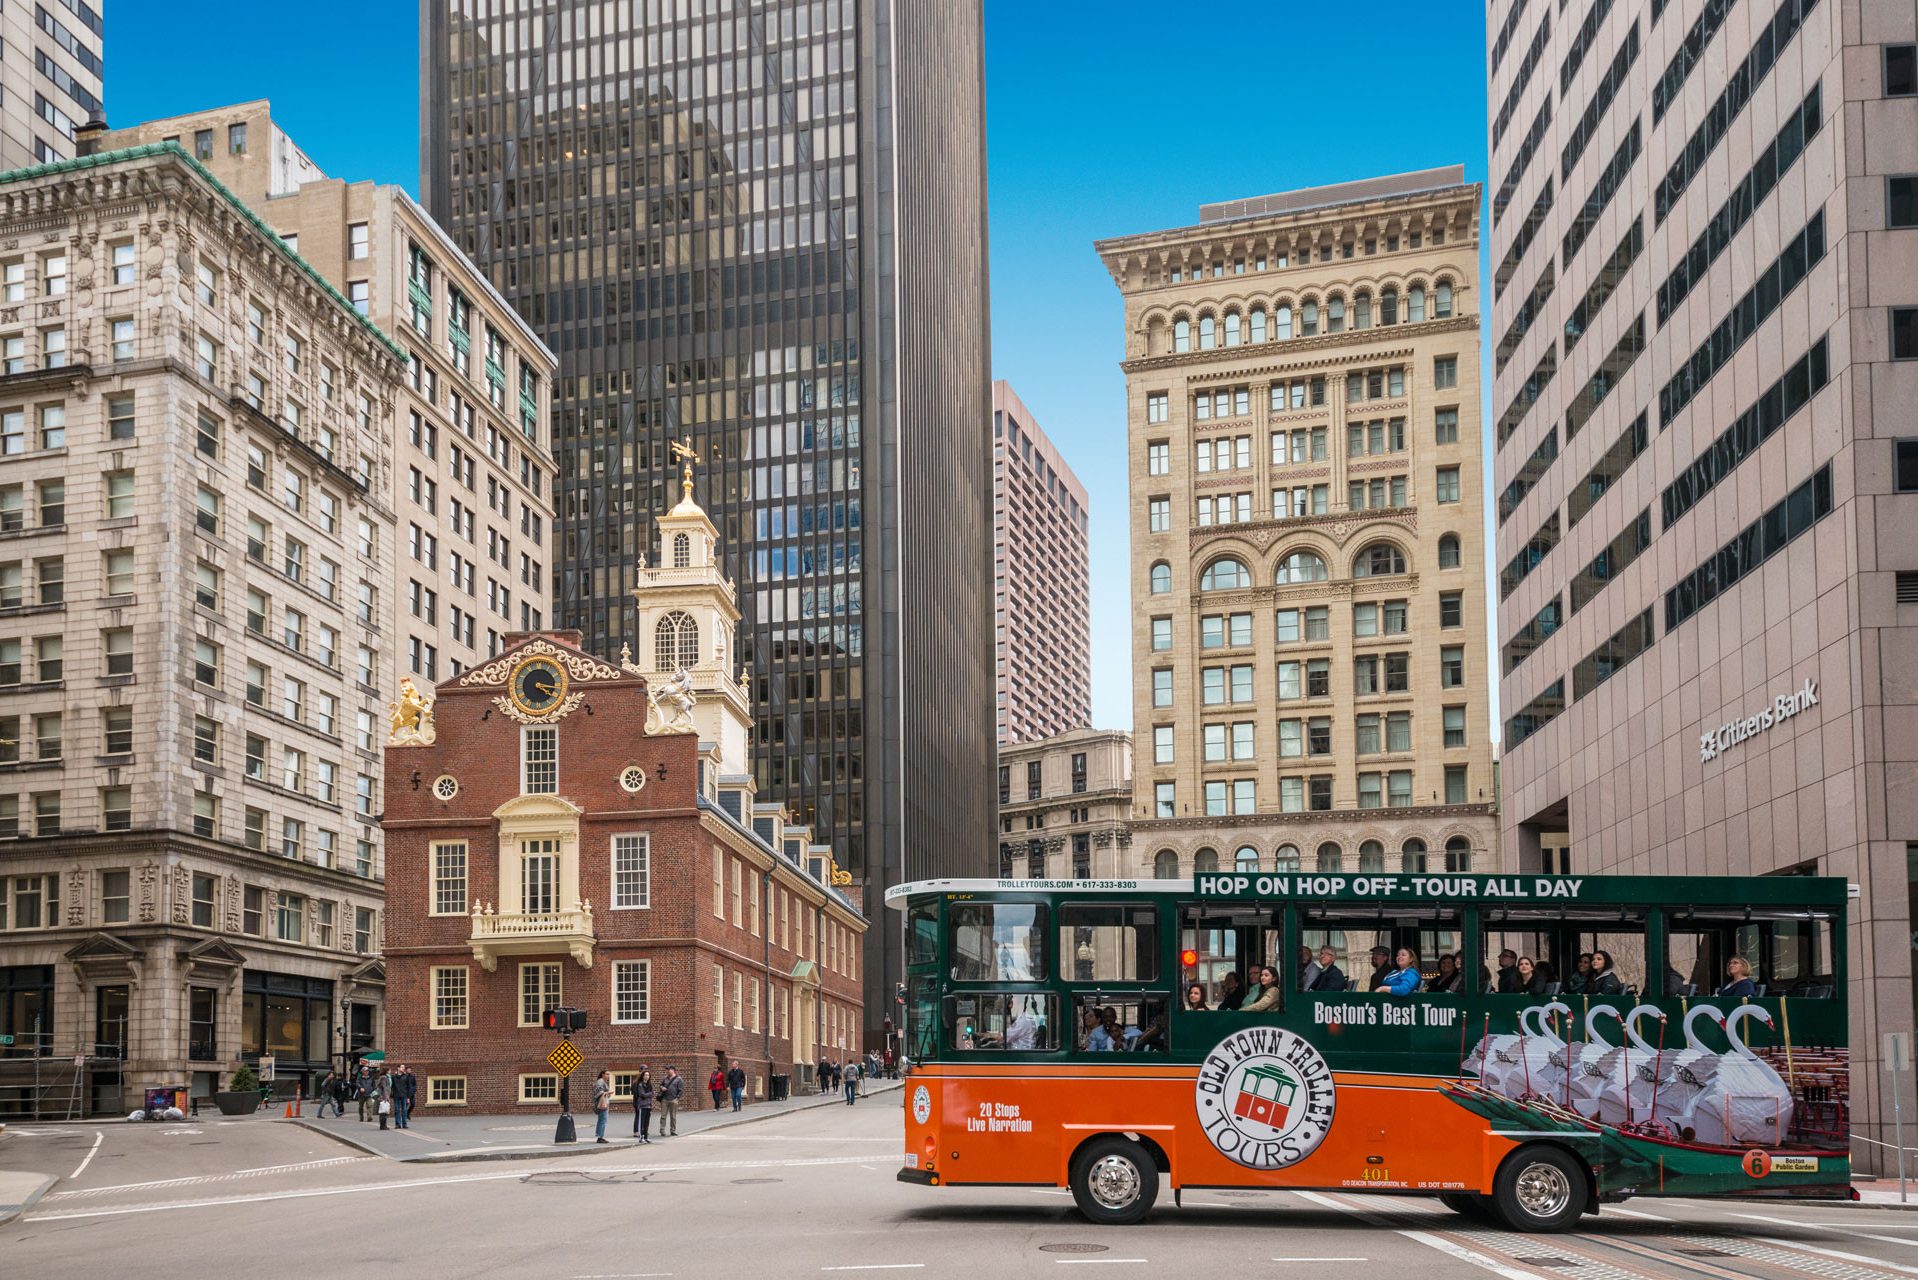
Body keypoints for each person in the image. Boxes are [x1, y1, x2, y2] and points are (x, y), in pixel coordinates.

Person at [659, 1066, 684, 1136]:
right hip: (664, 1099)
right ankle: (662, 1130)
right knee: (663, 1116)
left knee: (673, 1117)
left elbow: (681, 1090)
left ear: (673, 1070)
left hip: (673, 1100)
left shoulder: (679, 1079)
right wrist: (662, 1088)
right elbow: (660, 1085)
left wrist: (677, 1098)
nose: (667, 1071)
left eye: (668, 1070)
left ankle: (673, 1130)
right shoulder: (664, 1078)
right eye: (666, 1070)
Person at [633, 1068, 655, 1143]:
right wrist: (649, 1094)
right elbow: (642, 1095)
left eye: (648, 1075)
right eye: (645, 1075)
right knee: (641, 1122)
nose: (647, 1076)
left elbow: (653, 1093)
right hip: (642, 1105)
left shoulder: (649, 1084)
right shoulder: (640, 1085)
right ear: (642, 1076)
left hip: (648, 1105)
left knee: (647, 1122)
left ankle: (646, 1137)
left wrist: (649, 1094)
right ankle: (641, 1137)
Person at [394, 1065, 416, 1129]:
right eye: (402, 1067)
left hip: (404, 1095)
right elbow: (392, 1086)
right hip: (396, 1095)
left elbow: (408, 1087)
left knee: (404, 1110)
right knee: (397, 1110)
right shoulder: (394, 1077)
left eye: (404, 1067)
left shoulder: (406, 1077)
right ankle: (397, 1124)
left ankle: (404, 1124)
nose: (403, 1068)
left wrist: (408, 1097)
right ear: (398, 1068)